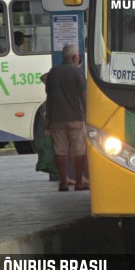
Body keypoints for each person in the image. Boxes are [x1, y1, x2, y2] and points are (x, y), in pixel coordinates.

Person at [44, 44, 88, 191]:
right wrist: (88, 115)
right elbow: (84, 95)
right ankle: (79, 183)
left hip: (57, 119)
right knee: (79, 150)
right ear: (75, 57)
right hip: (76, 117)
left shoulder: (53, 72)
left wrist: (48, 119)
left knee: (60, 150)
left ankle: (63, 182)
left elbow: (49, 97)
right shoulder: (77, 72)